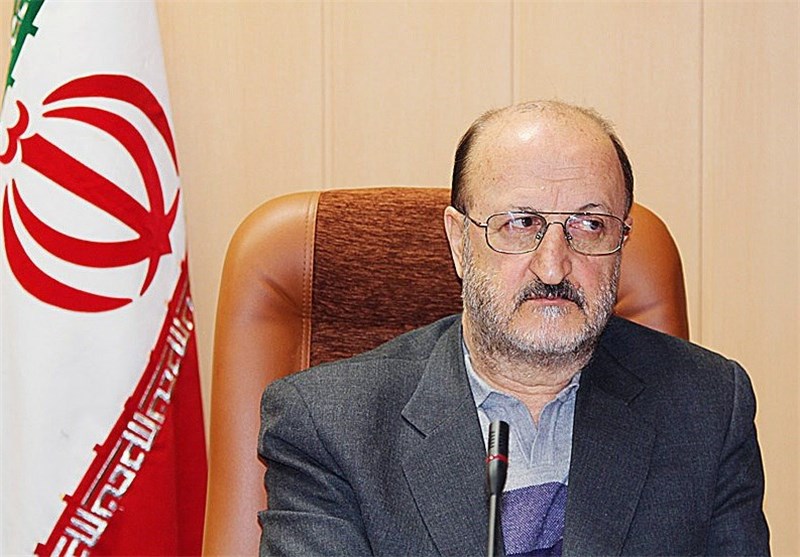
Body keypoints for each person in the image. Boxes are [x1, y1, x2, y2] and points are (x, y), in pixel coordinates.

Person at [258, 101, 770, 556]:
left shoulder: (706, 406)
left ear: (621, 242)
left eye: (590, 225)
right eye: (521, 223)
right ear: (459, 243)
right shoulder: (330, 426)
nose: (553, 266)